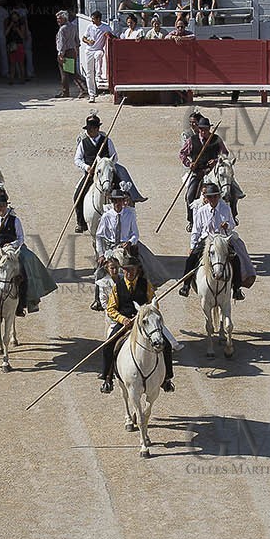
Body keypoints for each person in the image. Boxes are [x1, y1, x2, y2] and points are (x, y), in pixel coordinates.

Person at [101, 257, 175, 394]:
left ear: (137, 270)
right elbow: (111, 309)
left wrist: (145, 313)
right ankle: (107, 377)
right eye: (126, 270)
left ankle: (167, 378)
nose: (129, 273)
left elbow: (154, 304)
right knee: (108, 345)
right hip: (125, 324)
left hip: (144, 323)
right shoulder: (117, 287)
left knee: (167, 345)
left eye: (132, 270)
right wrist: (123, 319)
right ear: (123, 271)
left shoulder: (145, 284)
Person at [180, 183, 246, 301]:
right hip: (207, 240)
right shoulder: (201, 211)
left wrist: (227, 225)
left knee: (236, 259)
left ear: (218, 197)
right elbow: (196, 230)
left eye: (215, 196)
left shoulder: (225, 208)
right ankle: (186, 286)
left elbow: (232, 224)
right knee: (191, 259)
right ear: (206, 198)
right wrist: (192, 246)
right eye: (210, 197)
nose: (213, 199)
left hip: (222, 239)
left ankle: (237, 289)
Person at [178, 116, 228, 228]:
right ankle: (191, 221)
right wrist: (189, 164)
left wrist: (216, 161)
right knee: (189, 196)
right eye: (201, 129)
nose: (203, 132)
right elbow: (182, 154)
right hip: (198, 172)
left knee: (231, 189)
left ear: (209, 129)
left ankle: (233, 215)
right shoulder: (192, 140)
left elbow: (225, 154)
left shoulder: (216, 139)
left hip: (213, 171)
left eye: (205, 129)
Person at [72, 112, 117, 234]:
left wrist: (108, 164)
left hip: (107, 173)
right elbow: (77, 159)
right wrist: (86, 167)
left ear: (97, 128)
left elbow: (115, 156)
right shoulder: (83, 142)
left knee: (123, 190)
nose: (90, 131)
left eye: (92, 129)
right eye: (89, 129)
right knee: (77, 195)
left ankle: (126, 214)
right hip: (90, 175)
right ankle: (81, 223)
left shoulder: (107, 141)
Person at [79, 9, 112, 102]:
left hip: (98, 50)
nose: (92, 20)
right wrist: (88, 41)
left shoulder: (106, 27)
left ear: (98, 19)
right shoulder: (90, 27)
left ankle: (99, 75)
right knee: (89, 73)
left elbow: (113, 36)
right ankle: (92, 95)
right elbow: (83, 38)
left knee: (99, 54)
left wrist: (108, 35)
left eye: (93, 19)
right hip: (89, 51)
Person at [54, 10, 87, 98]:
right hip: (72, 51)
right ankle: (81, 89)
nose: (58, 20)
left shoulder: (62, 29)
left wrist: (61, 54)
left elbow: (62, 43)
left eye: (59, 19)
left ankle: (72, 91)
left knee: (66, 73)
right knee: (72, 72)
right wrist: (76, 49)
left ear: (64, 19)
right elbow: (77, 40)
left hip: (65, 52)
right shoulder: (73, 26)